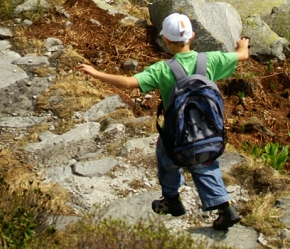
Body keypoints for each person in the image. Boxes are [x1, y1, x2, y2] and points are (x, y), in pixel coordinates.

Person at [77, 13, 250, 231]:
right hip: (207, 131)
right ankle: (225, 208)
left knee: (166, 160)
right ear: (193, 36)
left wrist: (97, 73)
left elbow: (128, 82)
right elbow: (242, 56)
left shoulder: (162, 69)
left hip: (174, 134)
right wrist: (242, 44)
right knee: (205, 164)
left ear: (165, 41)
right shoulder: (211, 60)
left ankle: (172, 201)